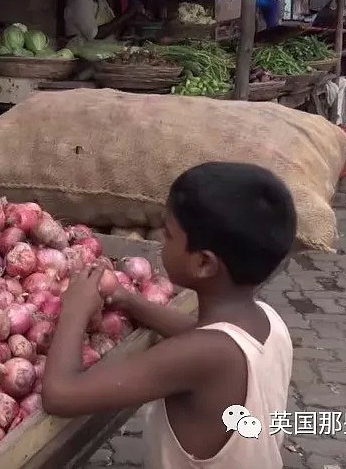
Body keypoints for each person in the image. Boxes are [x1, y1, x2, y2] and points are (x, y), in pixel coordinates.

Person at [43, 162, 296, 469]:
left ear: (204, 263)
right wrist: (129, 301)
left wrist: (74, 311)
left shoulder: (198, 355)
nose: (161, 239)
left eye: (169, 233)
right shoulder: (265, 320)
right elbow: (196, 330)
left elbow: (60, 395)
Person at [63, 0, 144, 44]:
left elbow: (114, 29)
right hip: (86, 57)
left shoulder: (100, 0)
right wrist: (127, 14)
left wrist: (133, 15)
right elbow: (96, 35)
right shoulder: (78, 0)